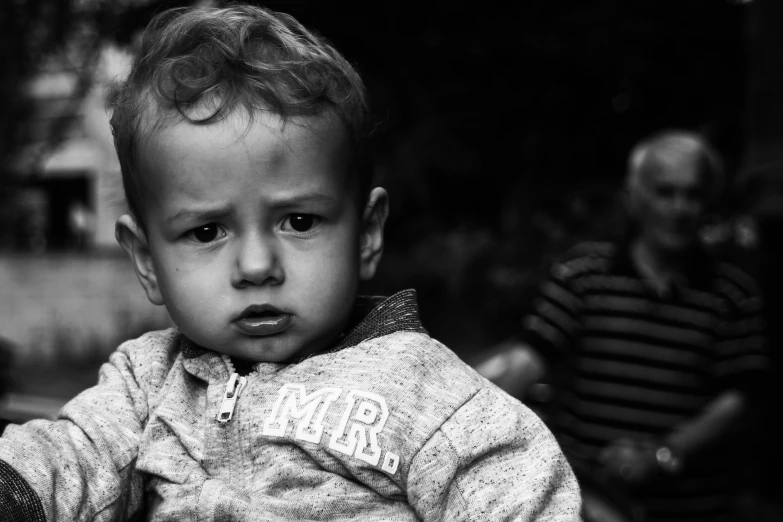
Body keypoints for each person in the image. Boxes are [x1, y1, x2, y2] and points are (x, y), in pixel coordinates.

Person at [0, 4, 581, 521]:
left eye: (299, 222)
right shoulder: (146, 384)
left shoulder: (423, 389)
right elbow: (61, 460)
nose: (256, 266)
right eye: (206, 231)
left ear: (366, 235)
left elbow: (521, 494)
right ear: (148, 261)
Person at [477, 130, 769, 521]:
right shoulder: (583, 276)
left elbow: (739, 400)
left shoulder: (734, 295)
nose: (679, 208)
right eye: (665, 193)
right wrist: (463, 408)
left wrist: (663, 452)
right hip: (589, 503)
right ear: (633, 198)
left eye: (693, 194)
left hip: (695, 508)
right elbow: (530, 357)